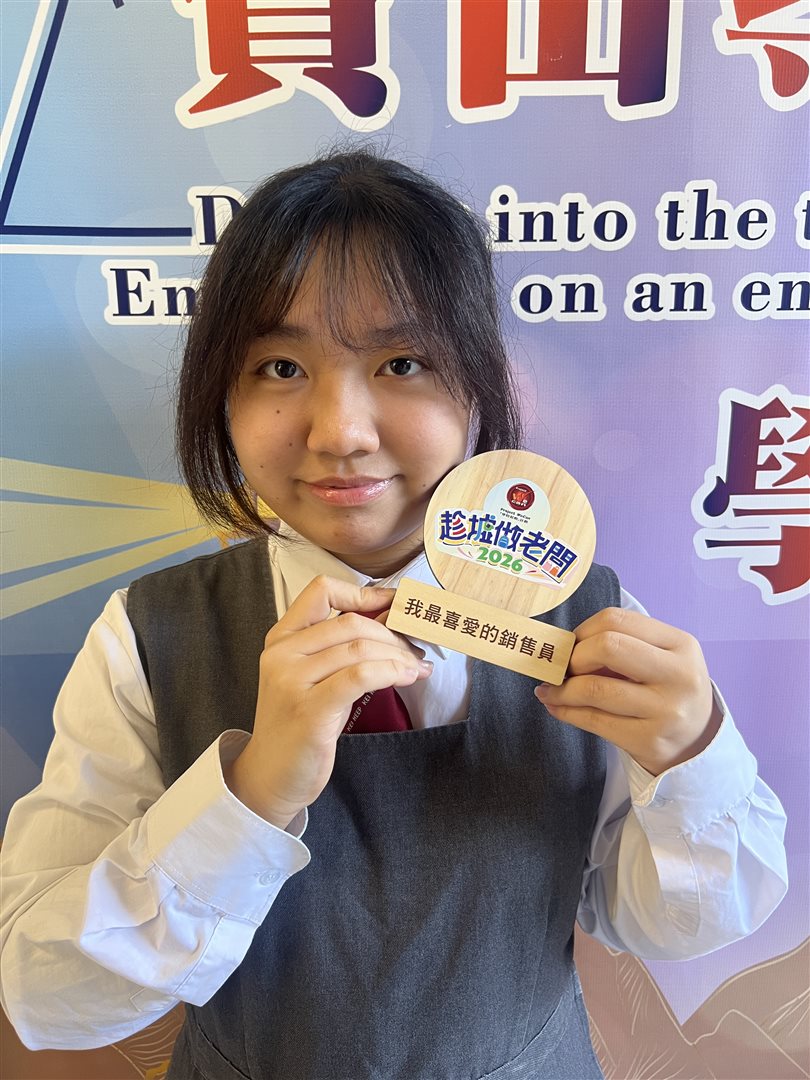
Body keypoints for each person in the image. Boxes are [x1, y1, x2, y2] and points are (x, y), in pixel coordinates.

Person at [0, 150, 787, 1080]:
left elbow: (671, 925)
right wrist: (249, 794)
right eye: (280, 366)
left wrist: (690, 756)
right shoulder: (148, 636)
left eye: (402, 362)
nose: (340, 431)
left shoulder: (593, 621)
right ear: (221, 392)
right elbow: (47, 995)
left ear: (477, 385)